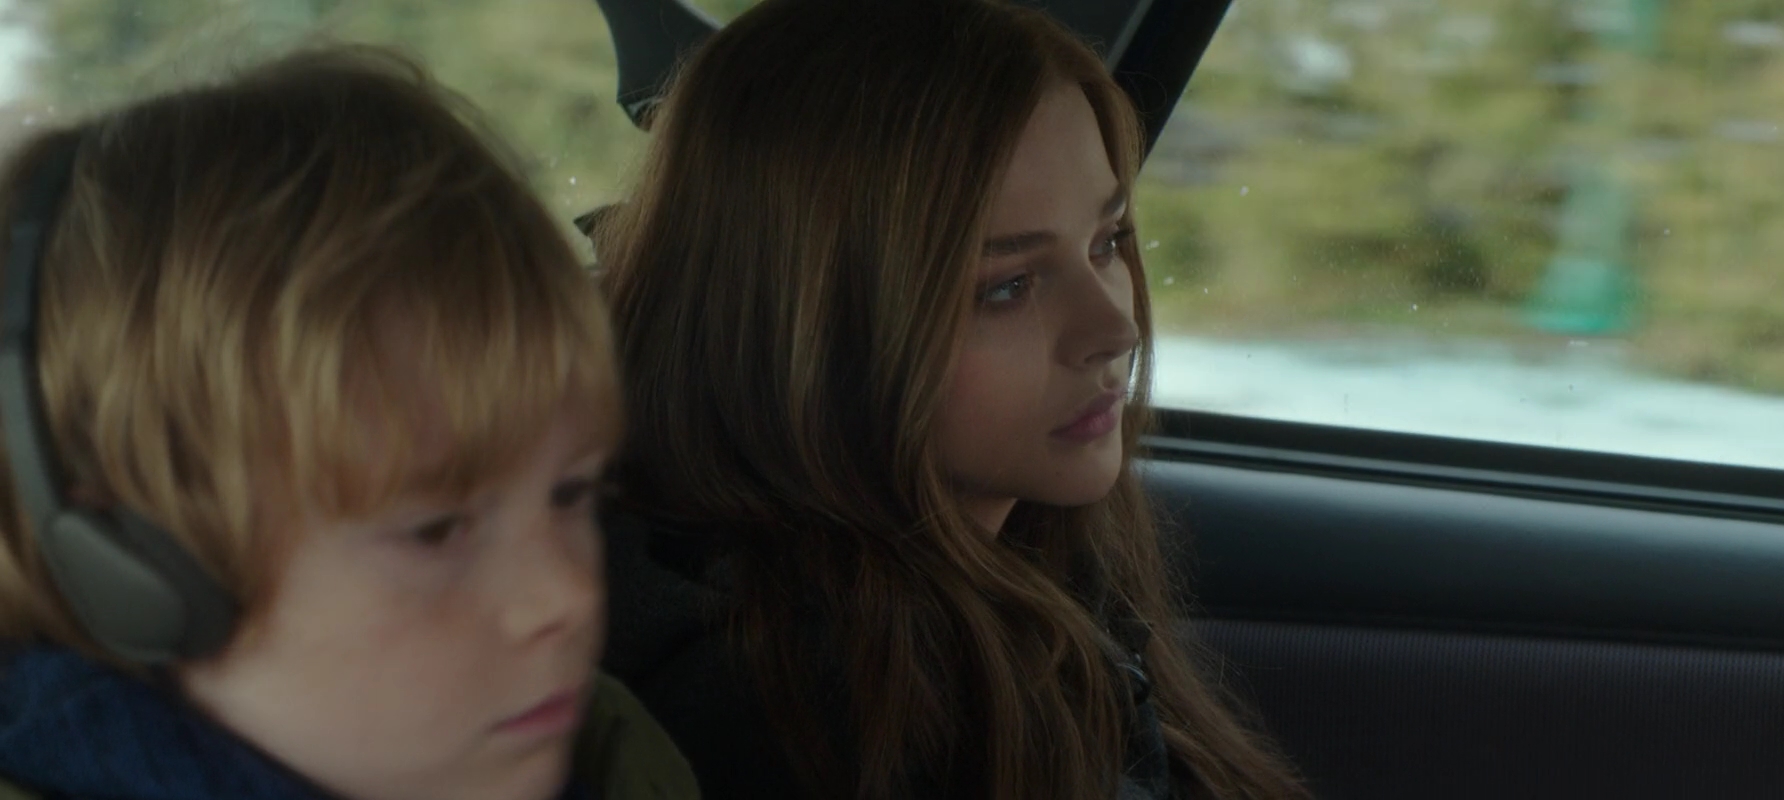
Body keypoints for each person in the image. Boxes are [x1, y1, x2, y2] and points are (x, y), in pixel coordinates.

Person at [591, 1, 1308, 798]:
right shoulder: (803, 716)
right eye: (1007, 286)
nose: (1116, 328)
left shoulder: (1029, 570)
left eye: (1107, 242)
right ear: (807, 328)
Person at [0, 46, 697, 800]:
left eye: (571, 493)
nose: (569, 595)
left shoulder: (616, 759)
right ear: (129, 571)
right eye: (435, 529)